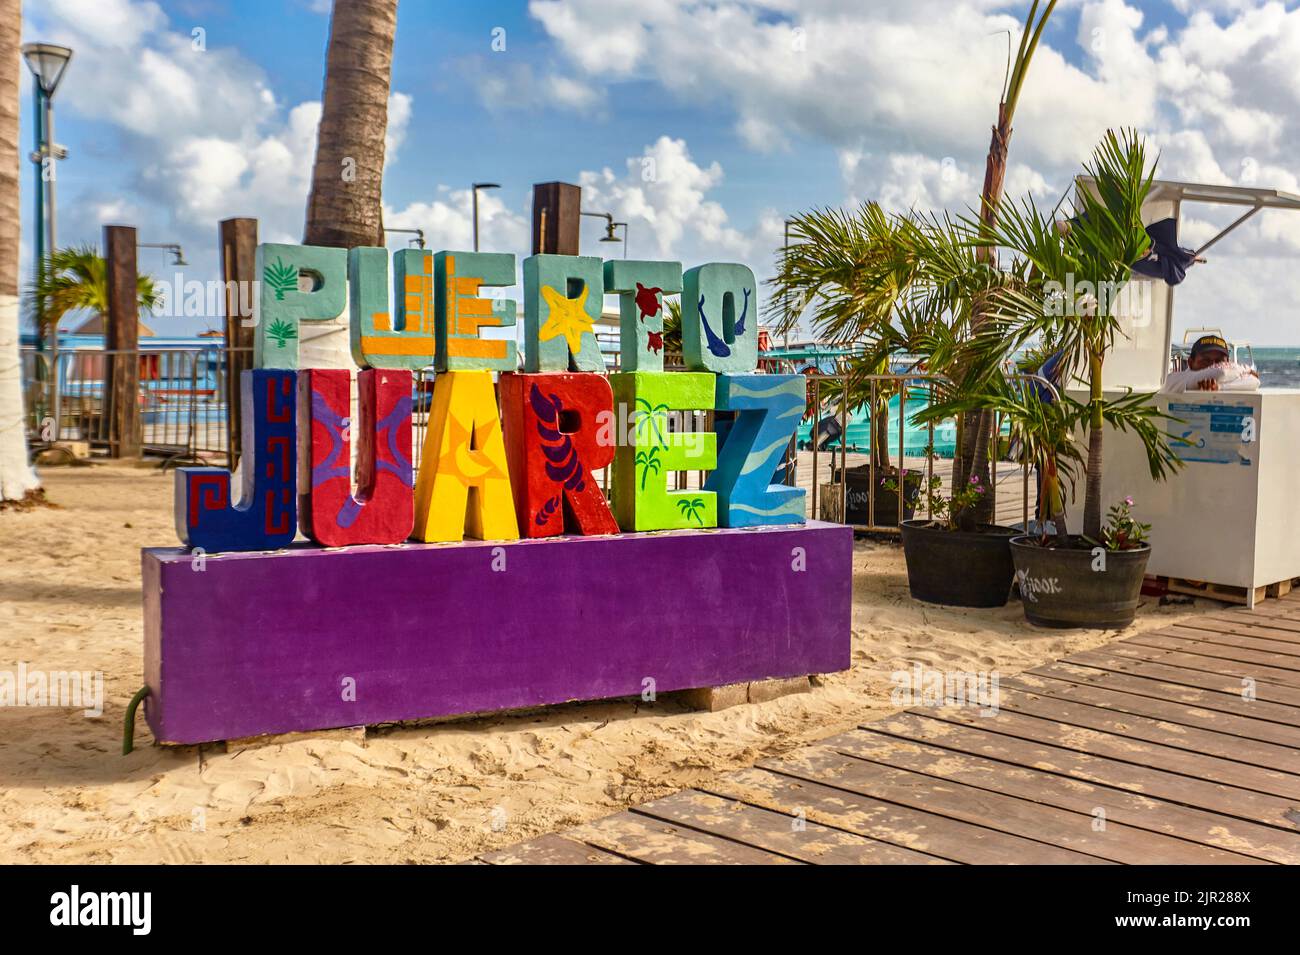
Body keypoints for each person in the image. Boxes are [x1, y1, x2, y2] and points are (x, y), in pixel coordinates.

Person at [1161, 334, 1260, 393]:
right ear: (1191, 363)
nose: (1213, 366)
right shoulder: (1175, 380)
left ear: (1227, 362)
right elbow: (1221, 372)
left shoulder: (1226, 379)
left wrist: (1219, 387)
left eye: (1219, 361)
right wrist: (1245, 369)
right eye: (1205, 361)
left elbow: (1254, 382)